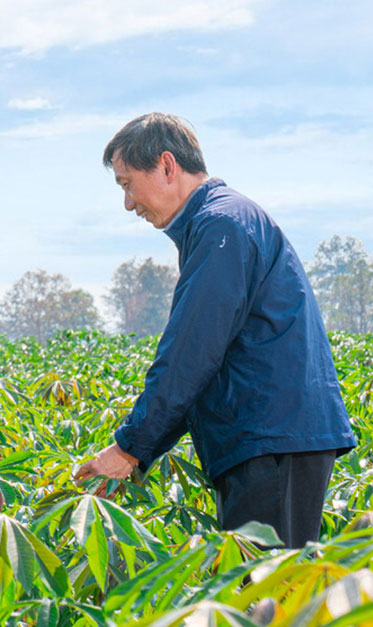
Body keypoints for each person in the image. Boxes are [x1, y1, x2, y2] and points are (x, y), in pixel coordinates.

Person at [76, 113, 356, 548]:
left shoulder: (222, 226)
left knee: (263, 600)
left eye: (127, 183)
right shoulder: (221, 224)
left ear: (167, 166)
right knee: (262, 594)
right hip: (270, 440)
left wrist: (130, 447)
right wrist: (139, 448)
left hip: (272, 440)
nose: (128, 203)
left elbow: (190, 354)